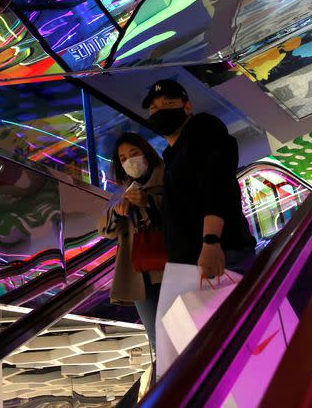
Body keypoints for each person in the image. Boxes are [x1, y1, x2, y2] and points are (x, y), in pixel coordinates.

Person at [143, 79, 257, 277]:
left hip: (220, 254)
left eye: (168, 104)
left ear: (187, 106)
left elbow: (218, 184)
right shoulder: (170, 156)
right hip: (191, 263)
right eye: (153, 108)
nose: (159, 111)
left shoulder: (203, 128)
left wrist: (211, 241)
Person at [98, 132, 164, 353]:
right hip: (140, 276)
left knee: (185, 329)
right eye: (123, 158)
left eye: (133, 154)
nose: (129, 161)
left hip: (171, 267)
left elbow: (184, 212)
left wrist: (149, 202)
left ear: (146, 152)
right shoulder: (122, 192)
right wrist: (118, 212)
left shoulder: (169, 177)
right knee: (157, 339)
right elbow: (105, 229)